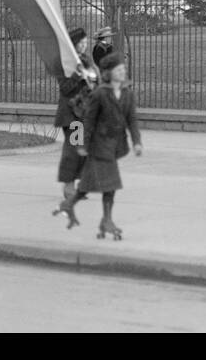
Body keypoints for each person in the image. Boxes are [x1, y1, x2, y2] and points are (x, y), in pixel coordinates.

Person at [58, 51, 142, 240]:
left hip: (115, 145)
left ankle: (69, 204)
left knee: (89, 184)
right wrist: (83, 144)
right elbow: (88, 121)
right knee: (110, 184)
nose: (122, 72)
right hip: (99, 145)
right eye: (118, 70)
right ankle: (107, 220)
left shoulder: (128, 94)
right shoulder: (100, 94)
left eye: (123, 69)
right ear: (109, 73)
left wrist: (137, 142)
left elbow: (132, 120)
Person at [53, 27, 98, 225]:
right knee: (73, 149)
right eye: (80, 43)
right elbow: (65, 88)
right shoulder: (65, 63)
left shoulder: (86, 61)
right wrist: (77, 77)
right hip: (72, 115)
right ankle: (68, 186)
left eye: (85, 42)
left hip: (85, 114)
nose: (84, 45)